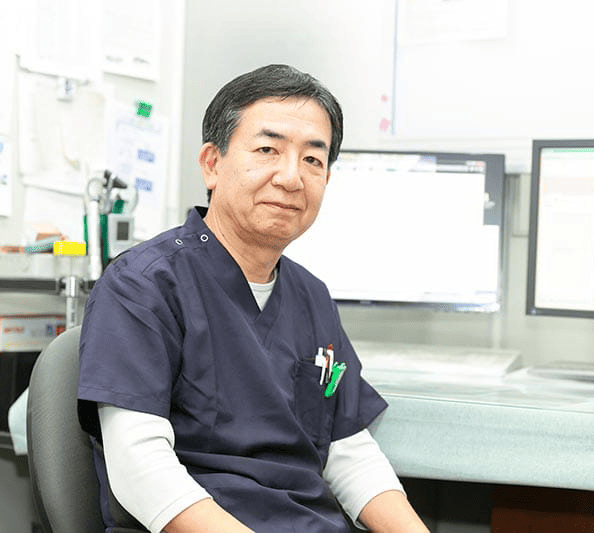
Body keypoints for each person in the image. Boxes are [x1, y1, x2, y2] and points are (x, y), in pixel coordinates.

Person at [78, 64, 428, 533]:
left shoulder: (311, 296)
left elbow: (348, 454)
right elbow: (140, 469)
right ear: (212, 164)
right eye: (268, 150)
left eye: (313, 160)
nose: (291, 177)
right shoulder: (143, 286)